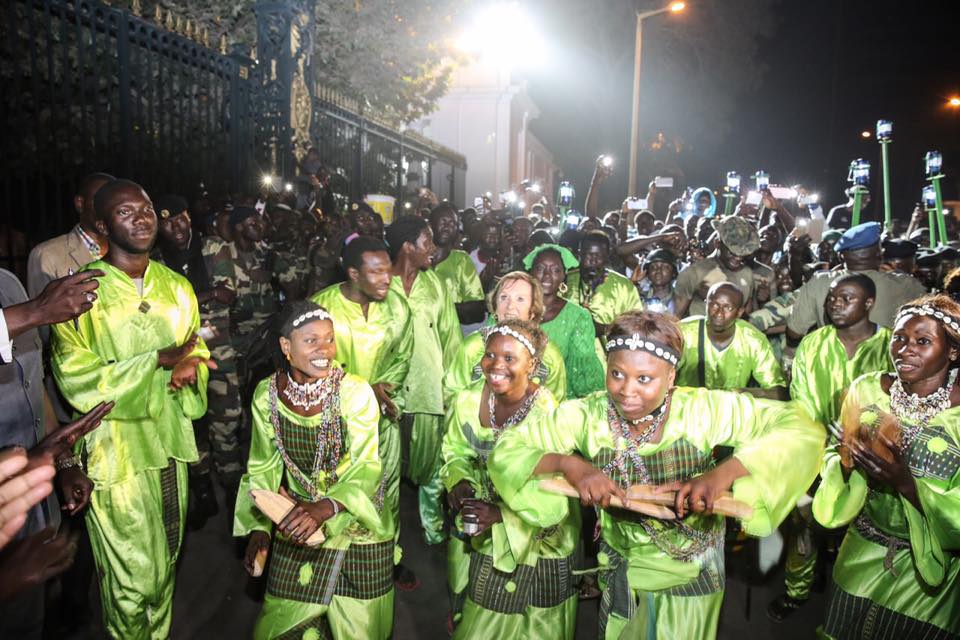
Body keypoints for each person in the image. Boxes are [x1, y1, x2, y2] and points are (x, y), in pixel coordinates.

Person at [488, 310, 824, 639]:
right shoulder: (587, 415)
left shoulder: (702, 411)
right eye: (616, 374)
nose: (626, 390)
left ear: (671, 378)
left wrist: (724, 474)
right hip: (623, 565)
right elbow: (510, 448)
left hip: (692, 569)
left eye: (644, 379)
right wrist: (569, 464)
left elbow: (799, 427)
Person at [50, 179, 215, 638]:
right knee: (129, 579)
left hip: (169, 447)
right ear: (102, 225)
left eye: (146, 208)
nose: (142, 217)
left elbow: (194, 355)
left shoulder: (178, 288)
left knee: (164, 566)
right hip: (115, 455)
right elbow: (75, 379)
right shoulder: (79, 293)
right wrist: (156, 362)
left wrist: (189, 373)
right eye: (126, 212)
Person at [234, 301, 393, 639]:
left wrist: (326, 507)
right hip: (297, 523)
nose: (325, 350)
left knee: (358, 629)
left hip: (355, 519)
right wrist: (259, 529)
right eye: (311, 341)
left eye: (330, 339)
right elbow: (262, 467)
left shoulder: (354, 393)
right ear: (285, 347)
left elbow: (367, 467)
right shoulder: (267, 395)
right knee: (282, 628)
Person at [812, 294, 960, 639]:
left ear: (952, 351)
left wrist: (905, 483)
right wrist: (845, 459)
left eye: (922, 341)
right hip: (862, 549)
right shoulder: (867, 390)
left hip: (931, 571)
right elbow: (834, 463)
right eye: (899, 338)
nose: (904, 350)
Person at [767, 273, 894, 622]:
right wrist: (820, 446)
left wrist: (863, 437)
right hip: (815, 452)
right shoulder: (814, 343)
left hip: (872, 458)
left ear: (868, 303)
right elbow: (802, 400)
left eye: (846, 298)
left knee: (863, 530)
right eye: (832, 298)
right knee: (804, 524)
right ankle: (797, 590)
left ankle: (856, 597)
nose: (835, 304)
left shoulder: (891, 346)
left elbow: (898, 402)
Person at [441, 320, 577, 638]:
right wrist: (459, 482)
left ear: (533, 365)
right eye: (490, 356)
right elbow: (454, 451)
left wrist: (502, 515)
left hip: (540, 535)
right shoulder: (468, 400)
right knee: (477, 616)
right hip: (480, 522)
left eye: (509, 359)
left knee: (537, 624)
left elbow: (553, 500)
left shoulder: (547, 416)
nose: (496, 366)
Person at [310, 236, 415, 587]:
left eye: (389, 270)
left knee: (387, 490)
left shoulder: (398, 307)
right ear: (354, 273)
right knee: (338, 488)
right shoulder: (321, 309)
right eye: (378, 272)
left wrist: (385, 388)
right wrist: (359, 391)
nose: (388, 279)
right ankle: (335, 560)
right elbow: (312, 365)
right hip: (335, 422)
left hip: (382, 419)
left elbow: (403, 355)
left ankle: (389, 555)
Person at [154, 194, 238, 526]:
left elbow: (227, 294)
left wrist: (183, 299)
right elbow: (160, 309)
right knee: (190, 426)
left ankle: (234, 493)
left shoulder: (214, 247)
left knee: (226, 422)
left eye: (179, 219)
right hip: (180, 354)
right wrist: (204, 296)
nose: (174, 227)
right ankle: (202, 491)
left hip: (219, 352)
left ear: (189, 218)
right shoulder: (156, 259)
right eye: (167, 222)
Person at [385, 217, 462, 545]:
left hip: (429, 392)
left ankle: (434, 534)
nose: (433, 248)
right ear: (407, 246)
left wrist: (452, 390)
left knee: (431, 468)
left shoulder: (436, 286)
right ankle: (386, 545)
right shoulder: (379, 285)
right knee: (384, 472)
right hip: (386, 393)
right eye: (427, 241)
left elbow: (452, 339)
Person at [786, 222, 927, 341]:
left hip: (832, 365)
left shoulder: (819, 282)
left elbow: (794, 332)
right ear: (879, 254)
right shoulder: (905, 285)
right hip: (883, 367)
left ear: (841, 257)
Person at [443, 271, 567, 405]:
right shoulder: (474, 347)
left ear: (532, 311)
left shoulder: (549, 354)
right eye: (503, 298)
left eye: (520, 299)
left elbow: (556, 408)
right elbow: (451, 395)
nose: (510, 306)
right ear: (495, 309)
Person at [676, 282, 787, 399]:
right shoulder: (683, 333)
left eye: (728, 308)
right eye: (714, 305)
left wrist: (742, 394)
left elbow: (778, 390)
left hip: (733, 411)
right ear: (706, 305)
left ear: (739, 312)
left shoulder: (753, 340)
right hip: (687, 409)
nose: (719, 313)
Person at [524, 244, 605, 398]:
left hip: (559, 404)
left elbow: (583, 376)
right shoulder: (511, 308)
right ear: (530, 273)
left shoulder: (577, 317)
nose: (547, 275)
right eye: (540, 269)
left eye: (555, 270)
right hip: (511, 399)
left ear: (563, 276)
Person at [26, 172, 114, 298]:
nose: (107, 208)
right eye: (100, 201)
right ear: (80, 204)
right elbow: (42, 313)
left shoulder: (128, 251)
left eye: (114, 202)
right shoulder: (47, 255)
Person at [674, 216, 776, 317]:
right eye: (732, 252)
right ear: (717, 243)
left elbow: (745, 318)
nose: (738, 258)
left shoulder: (746, 274)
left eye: (742, 253)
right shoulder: (695, 272)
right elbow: (676, 318)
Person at [565, 230, 642, 340]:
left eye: (599, 256)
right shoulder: (566, 280)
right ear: (579, 254)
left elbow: (634, 326)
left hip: (606, 354)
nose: (593, 261)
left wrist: (605, 329)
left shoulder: (624, 286)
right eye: (589, 255)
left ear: (607, 256)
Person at [430, 203, 485, 327]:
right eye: (443, 222)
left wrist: (441, 308)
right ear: (430, 225)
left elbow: (477, 309)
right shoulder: (417, 259)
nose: (447, 227)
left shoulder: (461, 260)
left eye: (452, 224)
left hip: (452, 335)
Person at [634, 248, 679, 315]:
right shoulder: (638, 298)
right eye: (653, 267)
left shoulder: (681, 299)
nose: (658, 270)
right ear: (647, 273)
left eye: (665, 267)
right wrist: (633, 283)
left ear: (673, 273)